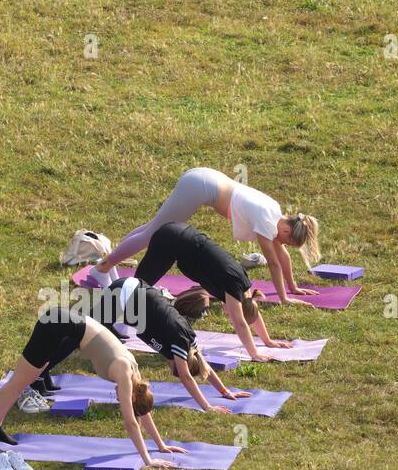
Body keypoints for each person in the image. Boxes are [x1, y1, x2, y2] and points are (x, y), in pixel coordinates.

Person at [0, 308, 186, 470]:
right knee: (18, 383)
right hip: (57, 324)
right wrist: (148, 459)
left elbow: (142, 411)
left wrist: (161, 445)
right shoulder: (124, 372)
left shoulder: (136, 376)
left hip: (64, 324)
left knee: (22, 381)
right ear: (131, 396)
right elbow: (130, 421)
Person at [87, 167, 321, 304]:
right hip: (200, 186)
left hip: (203, 180)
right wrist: (284, 298)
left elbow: (282, 257)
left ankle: (107, 265)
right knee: (154, 233)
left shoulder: (275, 212)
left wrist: (293, 287)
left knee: (153, 227)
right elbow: (274, 263)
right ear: (287, 230)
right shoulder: (266, 221)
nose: (282, 244)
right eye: (286, 240)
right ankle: (102, 269)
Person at [32, 277, 254, 413]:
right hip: (125, 295)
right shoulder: (179, 341)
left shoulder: (190, 345)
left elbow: (203, 367)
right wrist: (208, 406)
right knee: (77, 338)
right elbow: (187, 377)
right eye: (173, 368)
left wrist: (225, 391)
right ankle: (39, 376)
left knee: (83, 338)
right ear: (179, 362)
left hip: (133, 294)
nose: (170, 367)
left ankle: (45, 373)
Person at [133, 222, 292, 362]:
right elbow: (241, 323)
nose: (228, 317)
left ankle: (118, 320)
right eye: (230, 315)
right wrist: (254, 353)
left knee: (138, 287)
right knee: (135, 287)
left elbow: (251, 311)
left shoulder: (245, 291)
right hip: (170, 240)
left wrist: (268, 341)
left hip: (179, 235)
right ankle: (112, 324)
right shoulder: (233, 287)